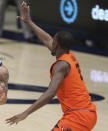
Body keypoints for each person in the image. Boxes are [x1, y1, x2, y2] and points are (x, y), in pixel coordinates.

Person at [6, 2, 97, 131]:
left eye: (53, 40)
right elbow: (46, 39)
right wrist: (29, 21)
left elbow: (50, 93)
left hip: (77, 117)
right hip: (87, 113)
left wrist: (25, 113)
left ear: (57, 45)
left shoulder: (61, 66)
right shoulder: (68, 55)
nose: (51, 41)